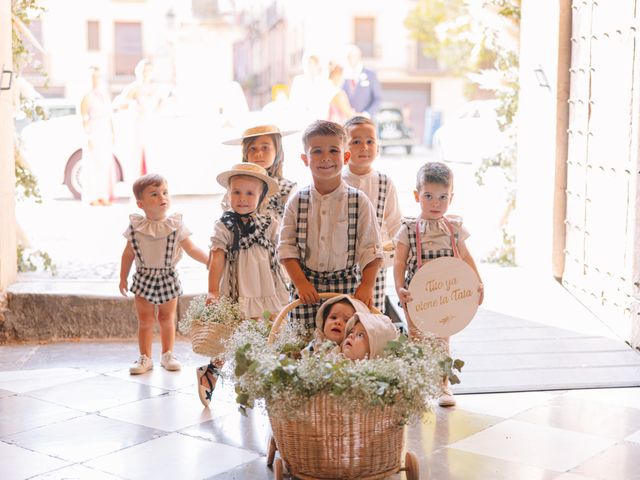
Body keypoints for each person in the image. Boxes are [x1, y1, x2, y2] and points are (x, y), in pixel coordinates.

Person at [278, 120, 383, 333]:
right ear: (305, 159)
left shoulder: (359, 201)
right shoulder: (297, 201)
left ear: (345, 157)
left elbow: (371, 249)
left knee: (345, 344)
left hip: (347, 288)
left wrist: (367, 285)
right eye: (316, 151)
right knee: (302, 343)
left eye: (333, 150)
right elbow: (286, 248)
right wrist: (300, 283)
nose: (325, 157)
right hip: (307, 288)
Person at [198, 163, 289, 407]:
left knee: (264, 331)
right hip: (238, 287)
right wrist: (213, 290)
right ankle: (211, 371)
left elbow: (278, 255)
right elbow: (217, 257)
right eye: (236, 192)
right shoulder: (225, 224)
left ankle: (253, 380)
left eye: (250, 193)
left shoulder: (270, 223)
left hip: (265, 286)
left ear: (260, 197)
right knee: (231, 332)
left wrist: (286, 282)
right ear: (228, 195)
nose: (242, 198)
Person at [393, 162, 484, 407]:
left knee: (443, 339)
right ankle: (415, 385)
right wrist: (399, 287)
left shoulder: (454, 228)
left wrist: (477, 281)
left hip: (447, 295)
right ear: (416, 196)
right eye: (429, 196)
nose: (436, 203)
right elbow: (399, 261)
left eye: (443, 197)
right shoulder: (409, 229)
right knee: (416, 337)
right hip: (417, 296)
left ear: (451, 197)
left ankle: (442, 385)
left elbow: (465, 257)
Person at [119, 174, 209, 375]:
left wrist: (210, 261)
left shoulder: (175, 225)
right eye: (154, 194)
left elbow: (191, 248)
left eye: (165, 192)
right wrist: (123, 277)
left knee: (167, 318)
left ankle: (168, 354)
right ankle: (145, 357)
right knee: (145, 320)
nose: (162, 197)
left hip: (168, 276)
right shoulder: (136, 227)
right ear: (140, 203)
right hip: (143, 277)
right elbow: (127, 254)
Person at [342, 116, 403, 313]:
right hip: (341, 264)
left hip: (375, 262)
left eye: (370, 141)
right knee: (343, 312)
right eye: (356, 142)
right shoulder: (337, 181)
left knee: (371, 313)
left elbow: (394, 224)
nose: (364, 147)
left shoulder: (385, 182)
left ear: (378, 147)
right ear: (344, 148)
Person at [222, 125, 297, 219]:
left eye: (265, 147)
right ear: (245, 153)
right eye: (252, 148)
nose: (258, 154)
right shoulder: (236, 185)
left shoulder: (287, 189)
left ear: (277, 151)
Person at [113, 59, 163, 176]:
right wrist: (130, 105)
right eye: (144, 70)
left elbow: (159, 106)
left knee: (153, 157)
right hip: (138, 125)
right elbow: (118, 105)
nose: (147, 73)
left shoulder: (155, 88)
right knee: (137, 156)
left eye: (149, 70)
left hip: (152, 124)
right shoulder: (133, 88)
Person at [80, 66, 115, 206]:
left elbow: (109, 116)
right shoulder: (86, 96)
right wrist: (88, 136)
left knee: (104, 165)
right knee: (93, 165)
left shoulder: (103, 96)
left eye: (98, 76)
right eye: (93, 77)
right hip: (93, 133)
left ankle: (103, 195)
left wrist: (112, 133)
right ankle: (92, 196)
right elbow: (83, 118)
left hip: (104, 133)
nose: (96, 80)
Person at [289, 53, 335, 124]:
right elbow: (294, 102)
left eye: (312, 64)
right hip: (302, 120)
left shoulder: (323, 82)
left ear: (317, 65)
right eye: (307, 64)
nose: (309, 67)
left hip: (320, 120)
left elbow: (326, 102)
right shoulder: (298, 80)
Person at [342, 45, 382, 118]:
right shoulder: (343, 75)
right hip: (347, 120)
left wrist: (366, 114)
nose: (351, 59)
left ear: (359, 57)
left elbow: (377, 98)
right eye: (349, 56)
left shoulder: (370, 75)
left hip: (365, 120)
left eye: (354, 56)